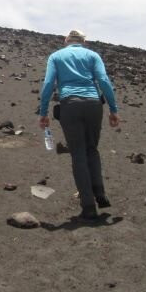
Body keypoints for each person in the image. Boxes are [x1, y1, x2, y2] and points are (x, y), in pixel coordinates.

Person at [38, 30, 120, 220]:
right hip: (93, 104)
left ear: (66, 41)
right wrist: (113, 109)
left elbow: (49, 83)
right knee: (92, 149)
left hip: (70, 105)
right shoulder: (93, 55)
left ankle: (88, 205)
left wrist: (43, 112)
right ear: (84, 42)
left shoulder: (56, 56)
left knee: (78, 154)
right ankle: (100, 193)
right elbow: (104, 81)